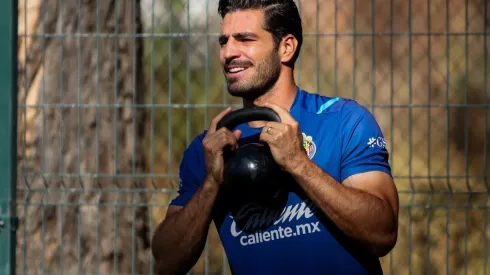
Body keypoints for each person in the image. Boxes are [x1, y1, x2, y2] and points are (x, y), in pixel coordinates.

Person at [151, 0, 399, 274]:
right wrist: (211, 184)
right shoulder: (210, 147)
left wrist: (298, 164)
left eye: (245, 39)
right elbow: (165, 262)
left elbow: (383, 234)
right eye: (224, 41)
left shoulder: (344, 121)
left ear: (286, 47)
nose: (228, 53)